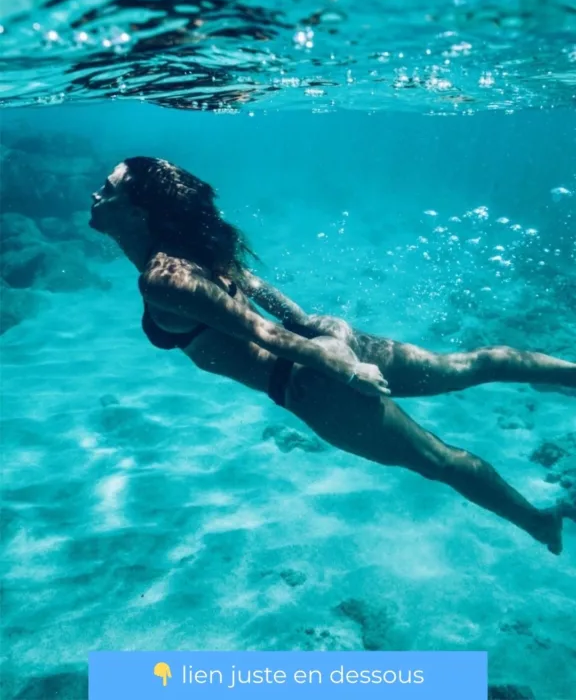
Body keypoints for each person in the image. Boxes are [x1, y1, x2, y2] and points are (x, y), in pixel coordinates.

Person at [89, 156, 575, 555]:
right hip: (324, 341)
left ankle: (539, 524)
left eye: (107, 188)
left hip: (311, 380)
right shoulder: (190, 251)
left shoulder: (162, 277)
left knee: (438, 460)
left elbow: (263, 332)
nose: (96, 194)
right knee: (467, 365)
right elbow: (262, 295)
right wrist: (320, 333)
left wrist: (343, 368)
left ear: (137, 212)